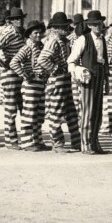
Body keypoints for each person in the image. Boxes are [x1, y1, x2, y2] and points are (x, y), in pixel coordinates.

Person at [67, 10, 110, 154]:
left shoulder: (103, 40)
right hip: (87, 80)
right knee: (88, 112)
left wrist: (107, 81)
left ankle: (95, 143)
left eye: (100, 23)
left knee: (97, 112)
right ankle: (85, 144)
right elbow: (71, 61)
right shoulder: (83, 39)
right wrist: (77, 73)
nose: (98, 26)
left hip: (100, 78)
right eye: (95, 24)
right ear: (90, 25)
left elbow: (105, 61)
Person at [38, 12, 81, 153]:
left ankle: (76, 141)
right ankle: (57, 144)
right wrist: (55, 69)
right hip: (57, 81)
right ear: (56, 28)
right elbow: (42, 59)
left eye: (67, 26)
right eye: (63, 27)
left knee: (71, 113)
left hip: (65, 81)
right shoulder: (53, 41)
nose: (67, 28)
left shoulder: (64, 41)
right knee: (56, 114)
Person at [0, 7, 26, 150]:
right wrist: (2, 63)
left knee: (23, 107)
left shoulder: (22, 33)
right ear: (11, 21)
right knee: (10, 108)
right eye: (16, 19)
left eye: (20, 18)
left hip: (21, 73)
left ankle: (26, 139)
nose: (19, 21)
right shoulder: (9, 34)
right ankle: (11, 140)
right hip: (9, 74)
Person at [10, 20, 49, 151]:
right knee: (29, 113)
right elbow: (14, 62)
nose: (38, 35)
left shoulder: (42, 47)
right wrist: (24, 74)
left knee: (39, 114)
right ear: (30, 35)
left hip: (41, 83)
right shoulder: (27, 48)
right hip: (31, 85)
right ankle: (27, 142)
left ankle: (37, 140)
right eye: (35, 33)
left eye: (40, 33)